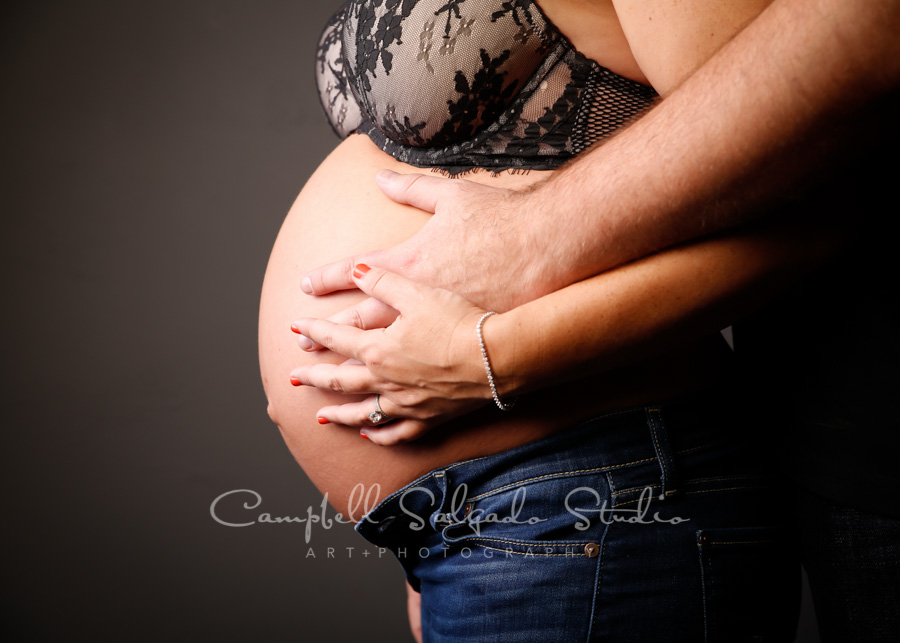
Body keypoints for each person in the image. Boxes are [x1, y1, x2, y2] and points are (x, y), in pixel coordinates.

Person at [288, 0, 900, 641]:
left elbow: (816, 205)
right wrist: (416, 523)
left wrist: (493, 355)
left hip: (586, 498)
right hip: (480, 514)